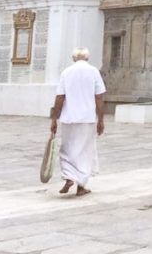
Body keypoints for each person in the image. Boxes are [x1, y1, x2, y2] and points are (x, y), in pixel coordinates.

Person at [50, 47, 106, 196]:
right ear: (87, 58)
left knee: (67, 148)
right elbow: (99, 97)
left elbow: (59, 97)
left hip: (69, 118)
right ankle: (81, 186)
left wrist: (54, 119)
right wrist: (101, 119)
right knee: (85, 151)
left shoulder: (66, 72)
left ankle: (69, 176)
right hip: (87, 118)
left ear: (74, 58)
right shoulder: (94, 71)